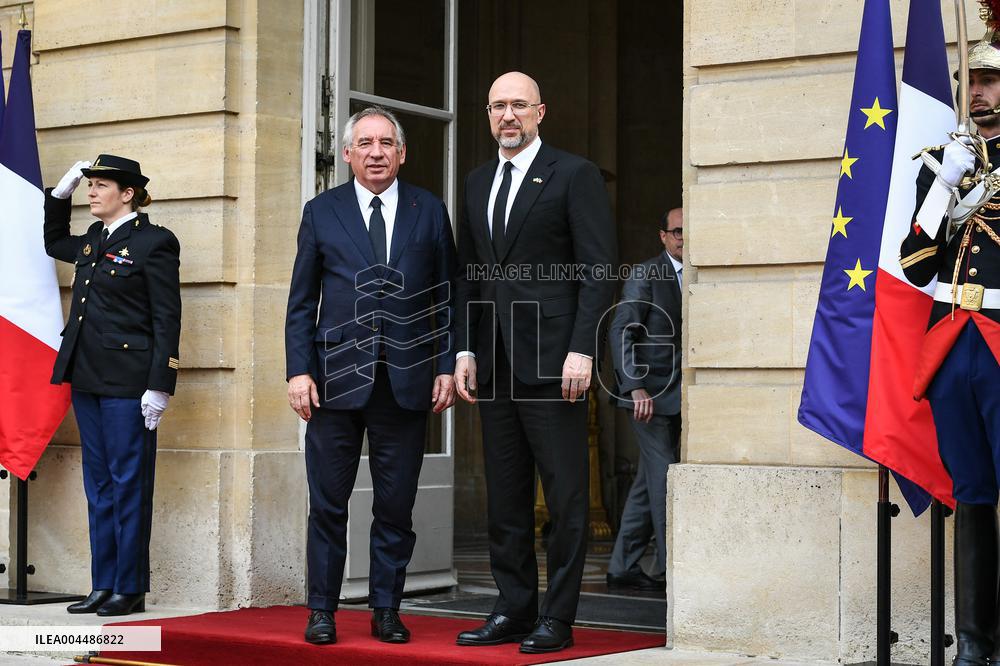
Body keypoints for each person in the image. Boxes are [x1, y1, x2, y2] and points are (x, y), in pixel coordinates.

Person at [453, 72, 617, 654]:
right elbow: (469, 275)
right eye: (498, 105)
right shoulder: (475, 182)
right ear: (487, 113)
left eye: (518, 105)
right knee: (506, 497)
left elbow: (598, 268)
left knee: (568, 498)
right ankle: (514, 609)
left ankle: (559, 617)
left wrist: (583, 347)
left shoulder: (574, 175)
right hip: (495, 361)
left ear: (540, 112)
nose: (508, 115)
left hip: (555, 362)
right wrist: (466, 348)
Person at [285, 106, 457, 646]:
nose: (376, 152)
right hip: (334, 382)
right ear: (347, 153)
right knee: (329, 505)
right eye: (365, 143)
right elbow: (300, 302)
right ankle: (322, 611)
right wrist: (298, 371)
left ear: (402, 152)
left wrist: (449, 365)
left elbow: (450, 297)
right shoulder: (321, 211)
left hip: (406, 383)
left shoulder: (429, 210)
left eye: (386, 143)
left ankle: (386, 608)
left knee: (395, 505)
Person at [899, 27, 1000, 666]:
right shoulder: (947, 161)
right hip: (952, 345)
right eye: (973, 84)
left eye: (990, 82)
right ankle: (974, 644)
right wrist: (943, 191)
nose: (979, 95)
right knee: (972, 492)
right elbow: (916, 265)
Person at [43, 155, 181, 617]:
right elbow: (53, 241)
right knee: (98, 485)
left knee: (128, 484)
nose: (92, 191)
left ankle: (130, 587)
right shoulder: (91, 242)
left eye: (100, 185)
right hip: (86, 376)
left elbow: (167, 316)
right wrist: (58, 194)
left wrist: (160, 383)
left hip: (128, 383)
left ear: (128, 194)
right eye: (90, 185)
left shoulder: (154, 243)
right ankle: (103, 583)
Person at [605, 207, 683, 594]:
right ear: (664, 236)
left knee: (648, 480)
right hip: (649, 398)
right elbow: (623, 328)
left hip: (684, 398)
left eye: (691, 230)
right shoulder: (647, 274)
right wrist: (634, 385)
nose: (685, 238)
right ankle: (674, 571)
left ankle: (622, 565)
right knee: (667, 479)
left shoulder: (703, 272)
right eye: (679, 231)